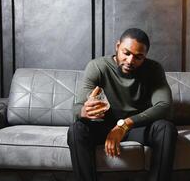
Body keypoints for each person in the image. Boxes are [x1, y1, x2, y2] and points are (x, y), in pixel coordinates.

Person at [67, 28, 177, 181]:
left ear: (145, 56)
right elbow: (77, 107)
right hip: (103, 127)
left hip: (136, 128)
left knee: (166, 128)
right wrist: (85, 111)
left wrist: (124, 126)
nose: (131, 61)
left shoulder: (153, 69)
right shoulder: (98, 67)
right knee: (76, 130)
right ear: (117, 46)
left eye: (138, 57)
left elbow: (164, 106)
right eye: (126, 53)